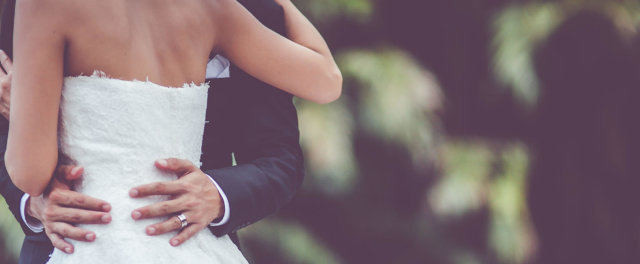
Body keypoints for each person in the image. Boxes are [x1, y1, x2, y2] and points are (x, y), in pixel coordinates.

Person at [0, 0, 341, 262]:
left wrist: (29, 108)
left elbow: (30, 172)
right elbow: (327, 82)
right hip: (188, 251)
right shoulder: (215, 8)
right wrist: (34, 205)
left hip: (96, 245)